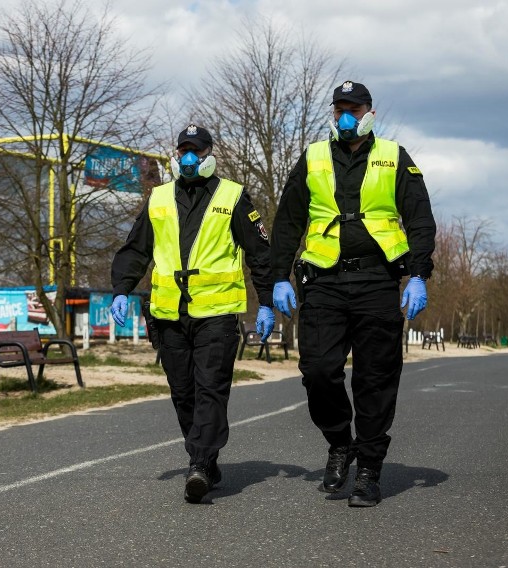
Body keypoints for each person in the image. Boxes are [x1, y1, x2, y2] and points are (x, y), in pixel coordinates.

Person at [270, 81, 436, 507]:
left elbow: (420, 219)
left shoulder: (394, 156)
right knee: (319, 371)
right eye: (339, 107)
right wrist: (278, 278)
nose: (346, 115)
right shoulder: (313, 157)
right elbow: (288, 221)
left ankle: (369, 470)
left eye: (354, 108)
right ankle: (340, 443)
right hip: (323, 281)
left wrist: (418, 274)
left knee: (375, 378)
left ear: (369, 113)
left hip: (378, 282)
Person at [110, 124, 275, 504]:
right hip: (168, 314)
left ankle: (199, 463)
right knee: (183, 393)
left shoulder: (232, 196)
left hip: (216, 314)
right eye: (182, 150)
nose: (187, 157)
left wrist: (265, 300)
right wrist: (122, 288)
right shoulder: (159, 198)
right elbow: (136, 249)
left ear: (208, 155)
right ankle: (207, 459)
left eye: (194, 151)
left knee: (210, 390)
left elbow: (259, 252)